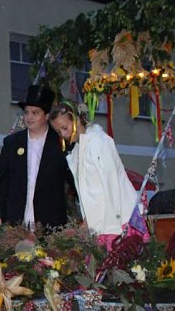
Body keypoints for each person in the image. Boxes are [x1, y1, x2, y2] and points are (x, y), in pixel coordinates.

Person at [48, 101, 138, 249]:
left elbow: (111, 185)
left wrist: (111, 228)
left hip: (116, 223)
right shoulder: (77, 149)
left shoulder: (98, 141)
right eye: (59, 132)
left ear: (76, 119)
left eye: (65, 128)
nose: (64, 135)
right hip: (99, 226)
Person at [0, 84, 72, 230]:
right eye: (26, 112)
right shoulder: (12, 143)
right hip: (15, 223)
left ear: (47, 116)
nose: (29, 117)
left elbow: (75, 181)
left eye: (35, 113)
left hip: (51, 225)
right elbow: (1, 183)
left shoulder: (60, 143)